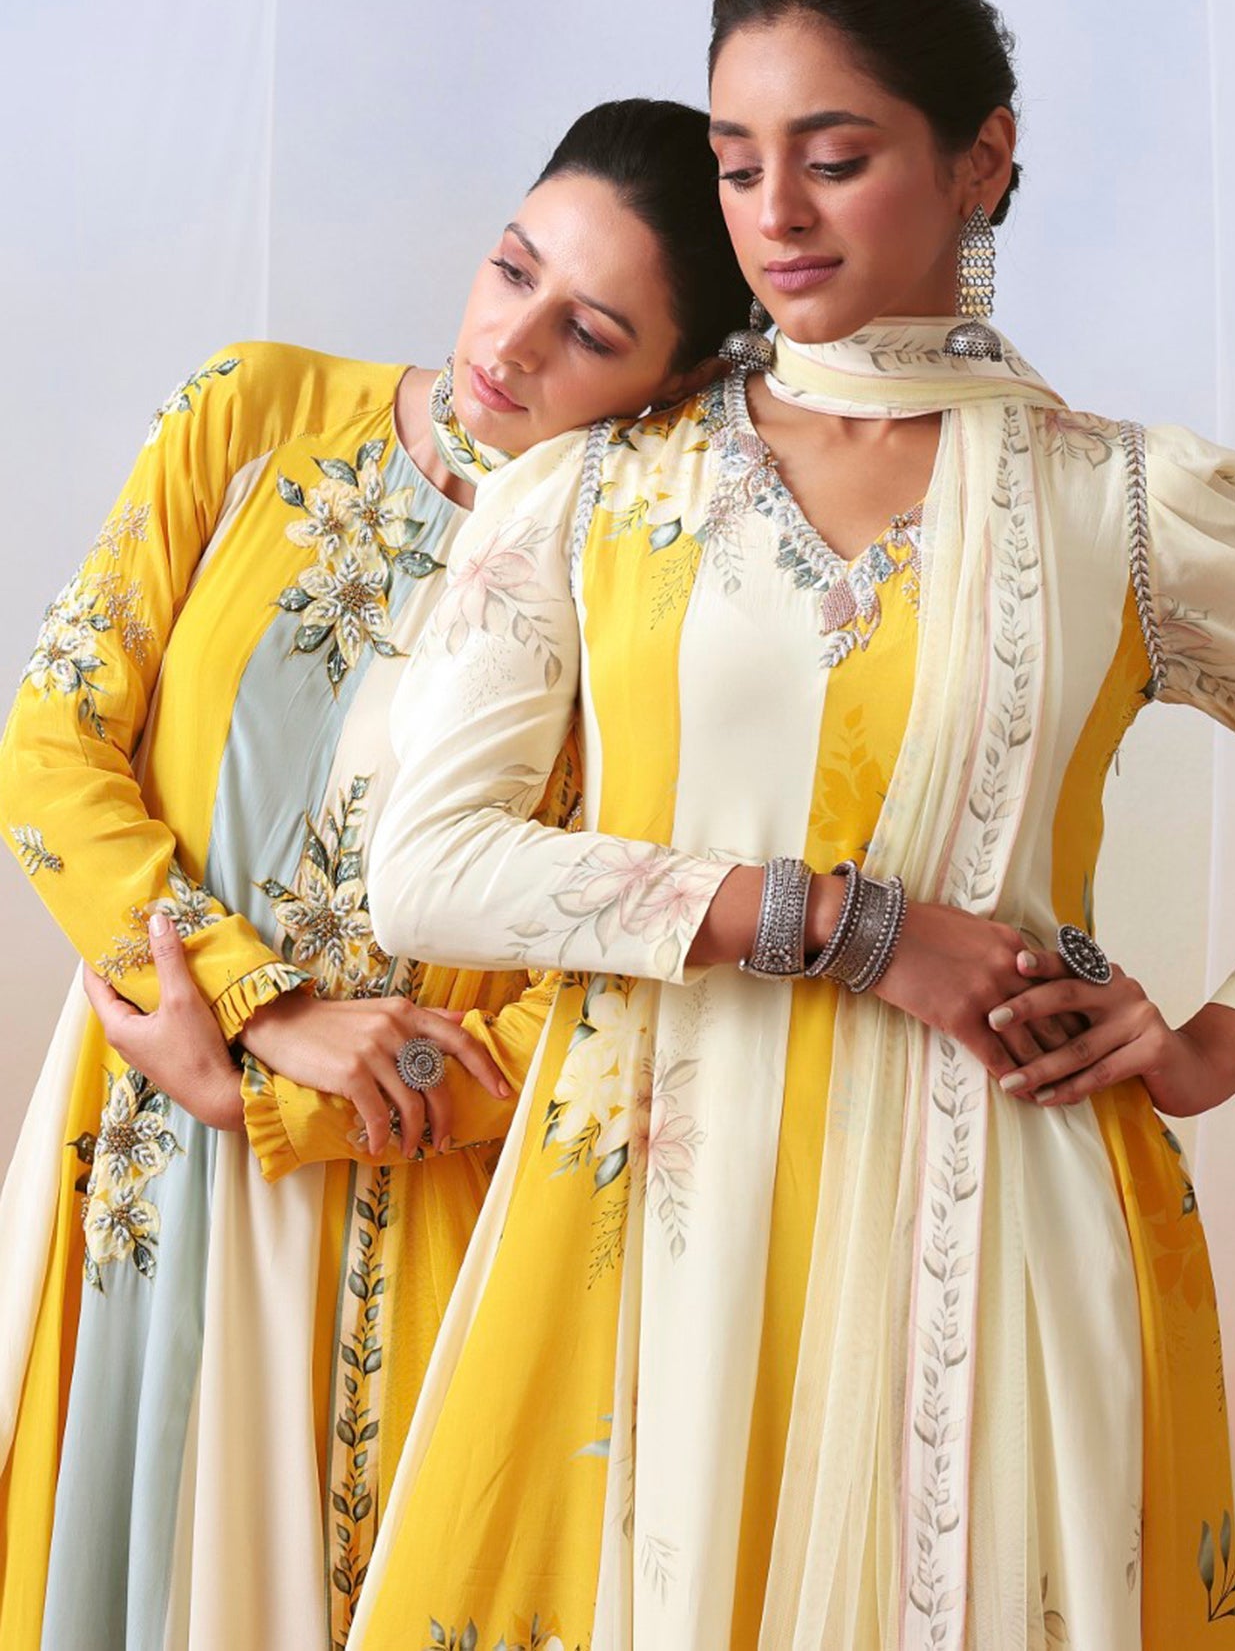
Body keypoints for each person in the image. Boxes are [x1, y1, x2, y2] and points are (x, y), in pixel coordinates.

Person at [335, 0, 1235, 1651]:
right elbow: (429, 868)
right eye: (738, 162)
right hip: (654, 1237)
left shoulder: (1121, 508)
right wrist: (843, 924)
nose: (776, 214)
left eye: (834, 159)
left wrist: (1231, 1037)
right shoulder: (594, 495)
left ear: (980, 159)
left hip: (1009, 1232)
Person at [0, 98, 753, 1651]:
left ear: (680, 381)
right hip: (142, 1121)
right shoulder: (256, 413)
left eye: (590, 332)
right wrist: (257, 1018)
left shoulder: (658, 598)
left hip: (408, 1208)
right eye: (512, 267)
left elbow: (613, 992)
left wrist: (305, 1100)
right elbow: (52, 742)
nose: (511, 342)